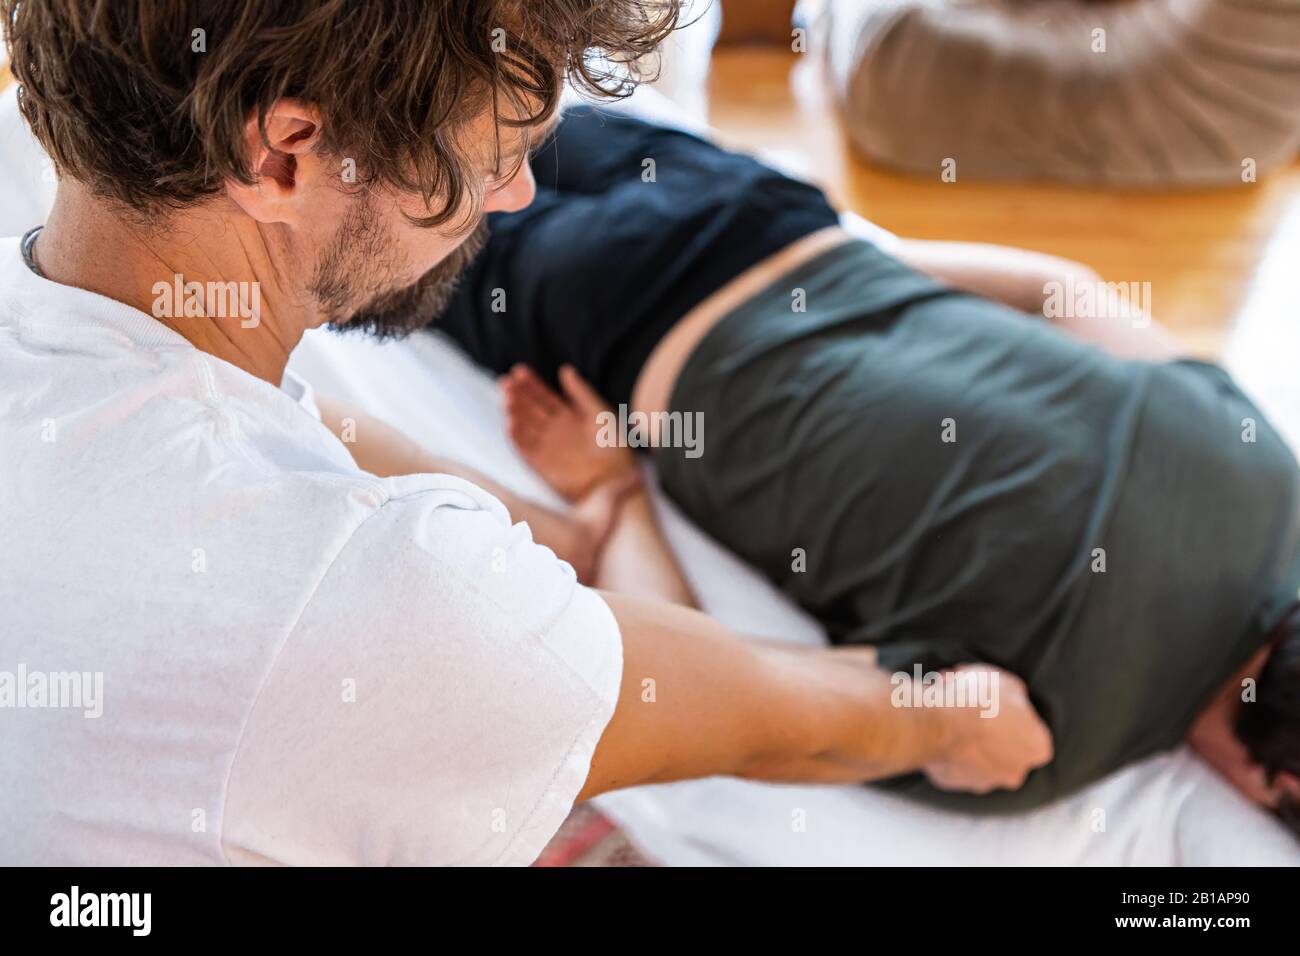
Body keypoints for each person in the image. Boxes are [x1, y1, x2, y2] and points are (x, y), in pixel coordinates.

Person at [0, 0, 1053, 866]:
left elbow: (293, 431)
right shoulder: (373, 598)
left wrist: (550, 519)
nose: (517, 191)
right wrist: (946, 714)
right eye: (493, 150)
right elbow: (767, 713)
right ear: (286, 156)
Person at [433, 106, 1300, 825]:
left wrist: (859, 265)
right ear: (1280, 788)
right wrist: (615, 490)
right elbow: (725, 691)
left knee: (419, 64)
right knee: (365, 146)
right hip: (616, 317)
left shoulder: (1275, 477)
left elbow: (1060, 288)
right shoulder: (1041, 735)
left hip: (766, 210)